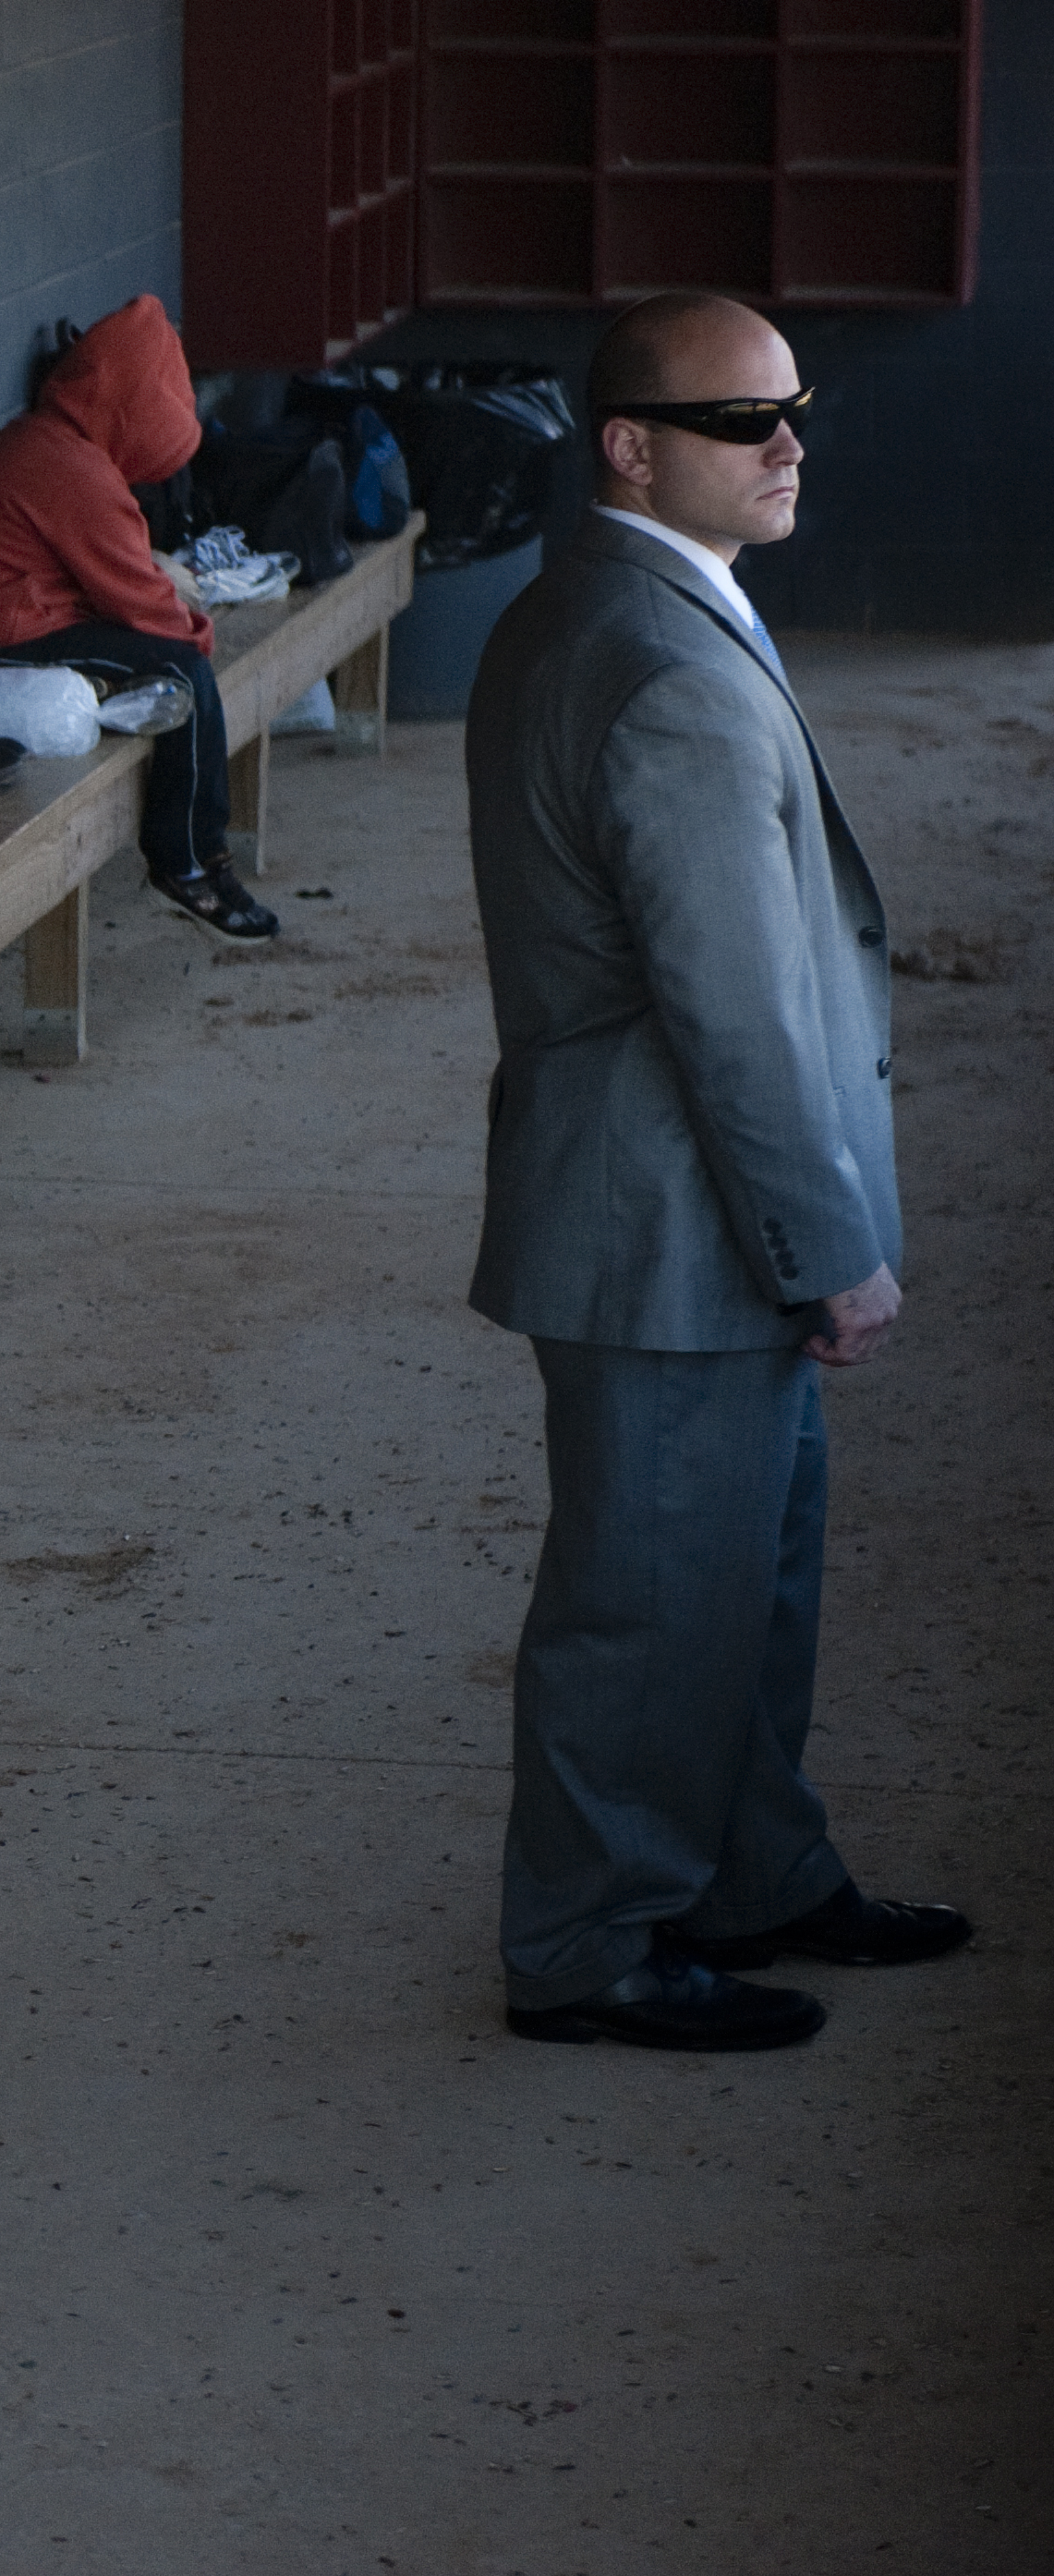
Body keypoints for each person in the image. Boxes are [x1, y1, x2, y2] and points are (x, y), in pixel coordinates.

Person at [464, 290, 967, 2052]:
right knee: (645, 1607)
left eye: (792, 407)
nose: (787, 444)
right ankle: (586, 1945)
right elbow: (731, 1010)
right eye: (742, 419)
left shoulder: (613, 602)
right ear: (627, 446)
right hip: (669, 1232)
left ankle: (753, 1871)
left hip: (678, 1223)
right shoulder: (661, 668)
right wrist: (826, 1244)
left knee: (746, 1576)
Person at [0, 292, 274, 942]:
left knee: (168, 664)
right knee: (185, 673)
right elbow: (146, 607)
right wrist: (198, 630)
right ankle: (188, 863)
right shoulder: (69, 466)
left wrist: (159, 587)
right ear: (128, 408)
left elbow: (120, 576)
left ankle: (200, 856)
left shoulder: (48, 443)